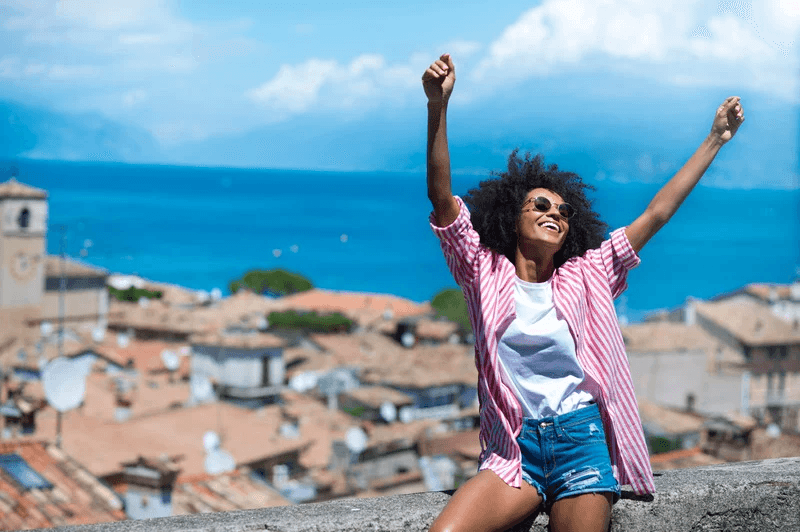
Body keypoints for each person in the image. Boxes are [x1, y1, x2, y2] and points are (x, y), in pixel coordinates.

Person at [423, 53, 744, 532]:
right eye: (541, 204)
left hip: (581, 440)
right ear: (513, 215)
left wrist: (715, 138)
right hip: (513, 448)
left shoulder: (588, 273)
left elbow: (654, 215)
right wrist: (438, 107)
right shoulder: (481, 271)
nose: (556, 212)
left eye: (564, 209)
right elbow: (442, 199)